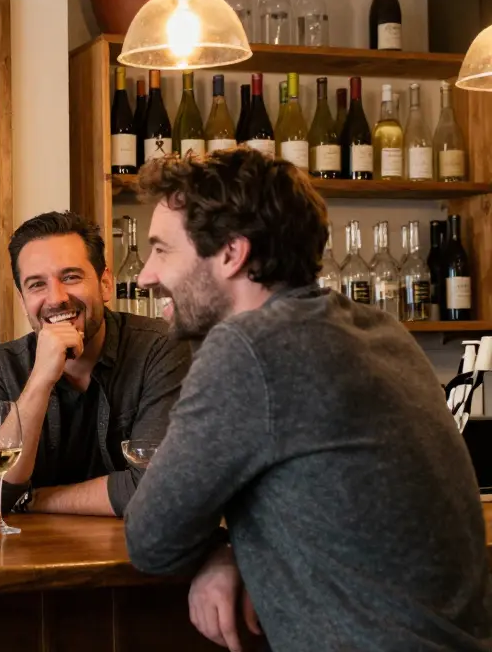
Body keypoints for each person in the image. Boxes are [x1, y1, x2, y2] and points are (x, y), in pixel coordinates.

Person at [125, 148, 491, 651]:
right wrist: (232, 550)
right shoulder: (379, 328)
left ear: (232, 253)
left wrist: (219, 551)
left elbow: (150, 539)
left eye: (161, 250)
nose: (146, 274)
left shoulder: (249, 348)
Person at [0, 211, 191, 518]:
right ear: (22, 300)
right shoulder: (1, 365)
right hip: (29, 561)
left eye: (71, 277)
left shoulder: (160, 349)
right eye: (36, 285)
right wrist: (41, 379)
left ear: (106, 284)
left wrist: (33, 499)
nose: (56, 298)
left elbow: (160, 487)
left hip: (138, 556)